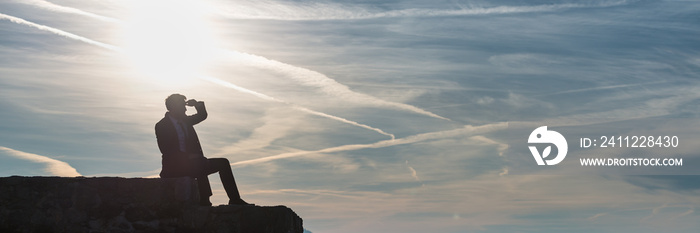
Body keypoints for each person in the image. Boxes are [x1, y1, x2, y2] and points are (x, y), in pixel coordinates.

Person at [156, 93, 251, 206]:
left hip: (194, 163)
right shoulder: (162, 125)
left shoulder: (185, 121)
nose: (186, 109)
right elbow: (166, 150)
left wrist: (196, 104)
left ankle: (234, 199)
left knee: (223, 163)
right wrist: (188, 157)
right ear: (174, 107)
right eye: (183, 106)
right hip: (175, 167)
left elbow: (202, 115)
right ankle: (205, 200)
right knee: (198, 164)